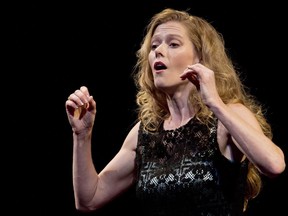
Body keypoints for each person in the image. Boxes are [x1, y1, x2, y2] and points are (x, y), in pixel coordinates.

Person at [65, 8, 286, 216]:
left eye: (173, 44)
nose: (158, 51)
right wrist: (82, 136)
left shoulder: (228, 115)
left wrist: (216, 103)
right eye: (154, 46)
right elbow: (89, 200)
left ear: (199, 58)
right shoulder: (145, 133)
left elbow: (274, 164)